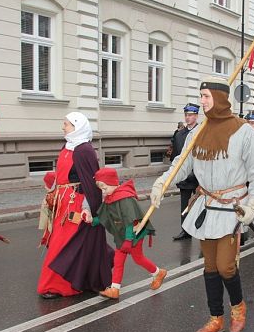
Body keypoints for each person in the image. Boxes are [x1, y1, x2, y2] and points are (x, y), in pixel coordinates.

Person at [150, 76, 254, 332]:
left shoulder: (244, 132)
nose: (201, 102)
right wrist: (161, 183)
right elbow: (181, 164)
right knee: (210, 267)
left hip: (232, 206)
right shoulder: (197, 132)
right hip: (206, 205)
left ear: (220, 98)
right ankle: (216, 319)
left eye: (206, 97)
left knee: (226, 266)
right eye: (200, 96)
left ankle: (238, 308)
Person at [37, 112, 114, 299]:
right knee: (71, 243)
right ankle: (87, 277)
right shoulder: (67, 146)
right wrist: (52, 186)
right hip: (62, 202)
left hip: (76, 203)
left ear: (77, 127)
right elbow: (64, 175)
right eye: (64, 123)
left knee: (64, 245)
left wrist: (88, 208)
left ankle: (55, 286)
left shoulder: (84, 150)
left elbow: (91, 183)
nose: (63, 127)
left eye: (67, 124)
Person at [92, 167, 167, 299]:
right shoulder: (110, 196)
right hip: (123, 235)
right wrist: (92, 220)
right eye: (101, 189)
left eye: (105, 188)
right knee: (119, 260)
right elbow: (105, 215)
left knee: (138, 258)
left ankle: (158, 272)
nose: (103, 192)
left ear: (113, 183)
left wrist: (128, 240)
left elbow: (130, 220)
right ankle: (115, 289)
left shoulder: (125, 197)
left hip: (133, 234)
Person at [171, 103, 200, 240]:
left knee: (201, 205)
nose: (188, 118)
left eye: (191, 115)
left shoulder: (202, 132)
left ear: (196, 116)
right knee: (184, 205)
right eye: (186, 115)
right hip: (185, 176)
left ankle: (202, 230)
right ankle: (185, 231)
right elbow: (176, 155)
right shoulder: (179, 134)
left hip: (200, 176)